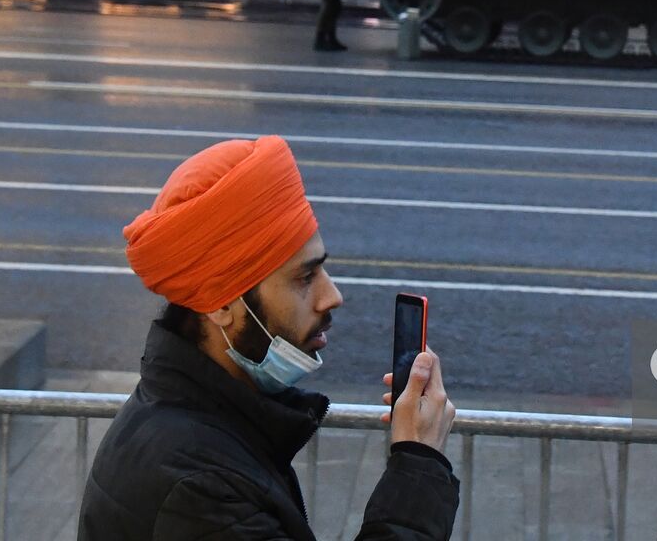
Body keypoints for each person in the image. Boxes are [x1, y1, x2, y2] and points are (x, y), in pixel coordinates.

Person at [78, 135, 460, 540]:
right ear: (221, 305)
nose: (332, 296)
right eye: (305, 277)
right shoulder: (199, 487)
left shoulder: (202, 423)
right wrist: (419, 462)